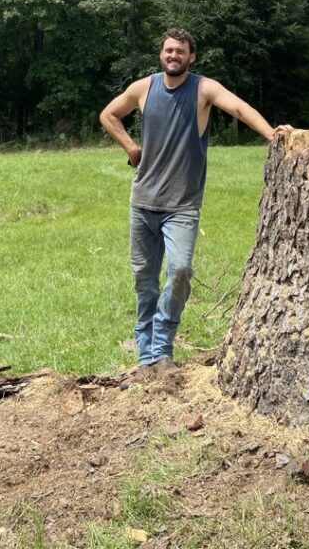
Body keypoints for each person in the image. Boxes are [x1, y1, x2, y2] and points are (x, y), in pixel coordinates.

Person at [99, 27, 290, 379]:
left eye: (181, 52)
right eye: (169, 50)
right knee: (144, 279)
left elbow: (238, 106)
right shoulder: (144, 88)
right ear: (162, 54)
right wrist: (131, 148)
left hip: (182, 206)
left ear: (191, 57)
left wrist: (272, 134)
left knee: (180, 271)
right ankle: (146, 356)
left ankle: (163, 349)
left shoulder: (203, 88)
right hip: (142, 202)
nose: (174, 56)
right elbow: (109, 115)